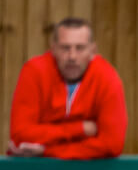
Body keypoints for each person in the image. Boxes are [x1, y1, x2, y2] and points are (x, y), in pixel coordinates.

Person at [7, 17, 127, 159]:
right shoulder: (34, 71)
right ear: (53, 49)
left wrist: (47, 151)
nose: (72, 56)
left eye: (80, 48)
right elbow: (20, 136)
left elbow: (112, 144)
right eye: (65, 48)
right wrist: (81, 129)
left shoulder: (107, 77)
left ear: (93, 50)